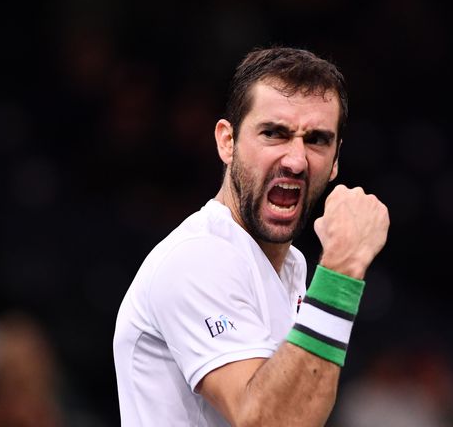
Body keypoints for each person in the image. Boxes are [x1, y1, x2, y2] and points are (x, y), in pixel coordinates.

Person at [113, 46, 390, 426]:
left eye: (317, 140)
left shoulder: (291, 266)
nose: (296, 160)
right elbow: (271, 421)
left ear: (336, 159)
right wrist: (343, 267)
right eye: (274, 133)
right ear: (227, 142)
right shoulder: (197, 258)